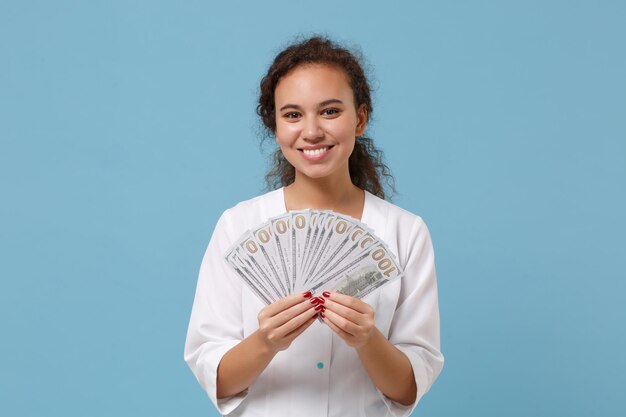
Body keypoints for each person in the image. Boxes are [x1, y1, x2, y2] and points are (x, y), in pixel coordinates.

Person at [184, 36, 444, 417]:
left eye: (330, 111)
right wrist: (266, 341)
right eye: (292, 115)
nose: (311, 131)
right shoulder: (237, 225)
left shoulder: (406, 232)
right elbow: (217, 378)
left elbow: (408, 389)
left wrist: (368, 340)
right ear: (275, 127)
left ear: (360, 119)